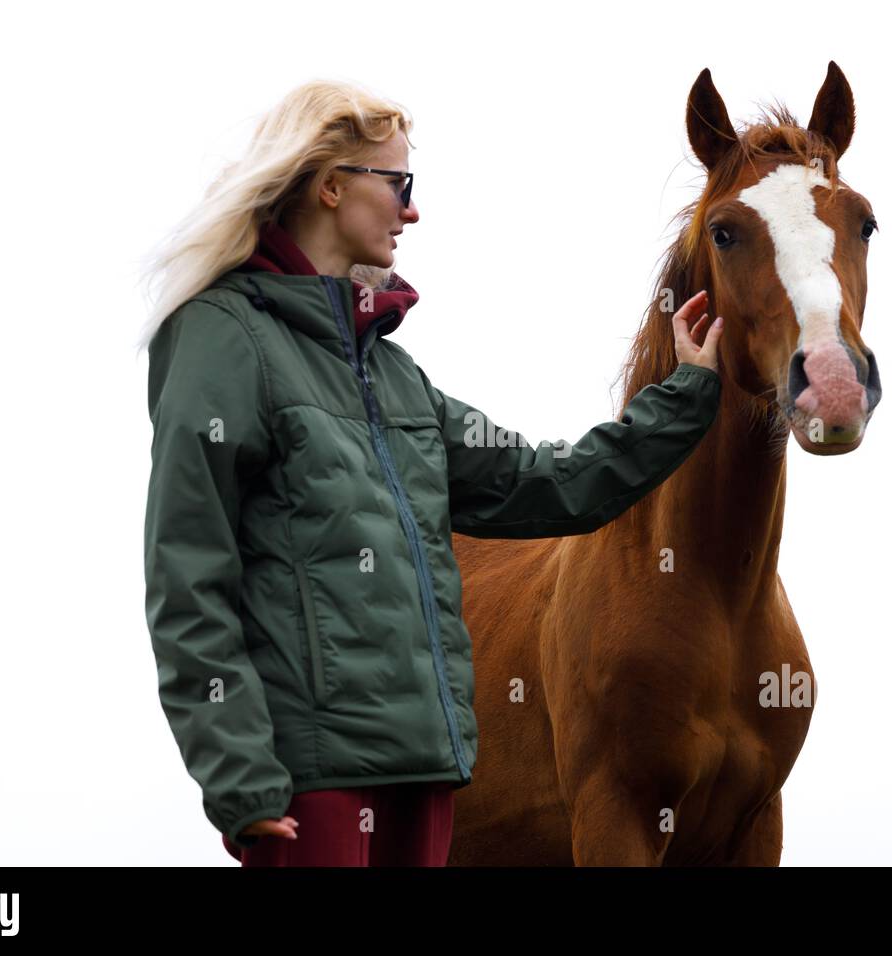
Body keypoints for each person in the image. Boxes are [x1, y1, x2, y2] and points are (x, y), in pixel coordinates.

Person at [138, 79, 725, 866]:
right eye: (399, 184)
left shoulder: (397, 377)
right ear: (331, 183)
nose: (411, 211)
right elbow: (188, 573)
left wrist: (683, 395)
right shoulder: (222, 337)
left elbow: (549, 480)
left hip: (426, 784)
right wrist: (237, 774)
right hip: (309, 785)